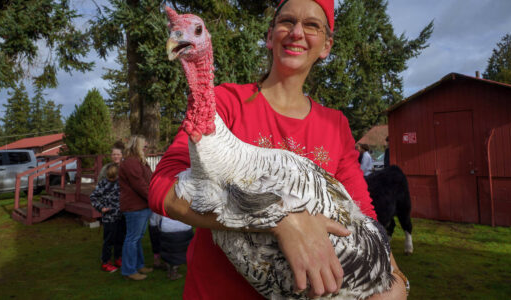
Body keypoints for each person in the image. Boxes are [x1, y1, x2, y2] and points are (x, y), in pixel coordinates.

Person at [149, 0, 407, 298]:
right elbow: (162, 188)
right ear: (270, 36)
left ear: (326, 45)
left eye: (312, 25)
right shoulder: (226, 102)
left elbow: (361, 215)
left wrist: (396, 280)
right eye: (287, 21)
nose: (297, 32)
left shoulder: (335, 125)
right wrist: (280, 220)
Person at [119, 135, 153, 281]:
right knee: (132, 238)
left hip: (142, 205)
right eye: (144, 146)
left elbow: (147, 181)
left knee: (137, 238)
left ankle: (139, 265)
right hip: (135, 207)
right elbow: (140, 185)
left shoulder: (138, 161)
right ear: (136, 146)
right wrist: (154, 198)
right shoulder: (131, 163)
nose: (146, 149)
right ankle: (129, 270)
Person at [90, 163, 125, 273]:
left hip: (120, 216)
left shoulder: (120, 183)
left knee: (120, 239)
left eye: (114, 177)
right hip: (109, 219)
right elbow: (93, 197)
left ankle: (118, 258)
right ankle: (105, 262)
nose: (112, 180)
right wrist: (101, 208)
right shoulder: (103, 184)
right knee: (108, 241)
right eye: (110, 177)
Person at [157, 214, 194, 280]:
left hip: (166, 226)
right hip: (182, 226)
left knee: (168, 250)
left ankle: (170, 271)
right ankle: (174, 272)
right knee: (180, 251)